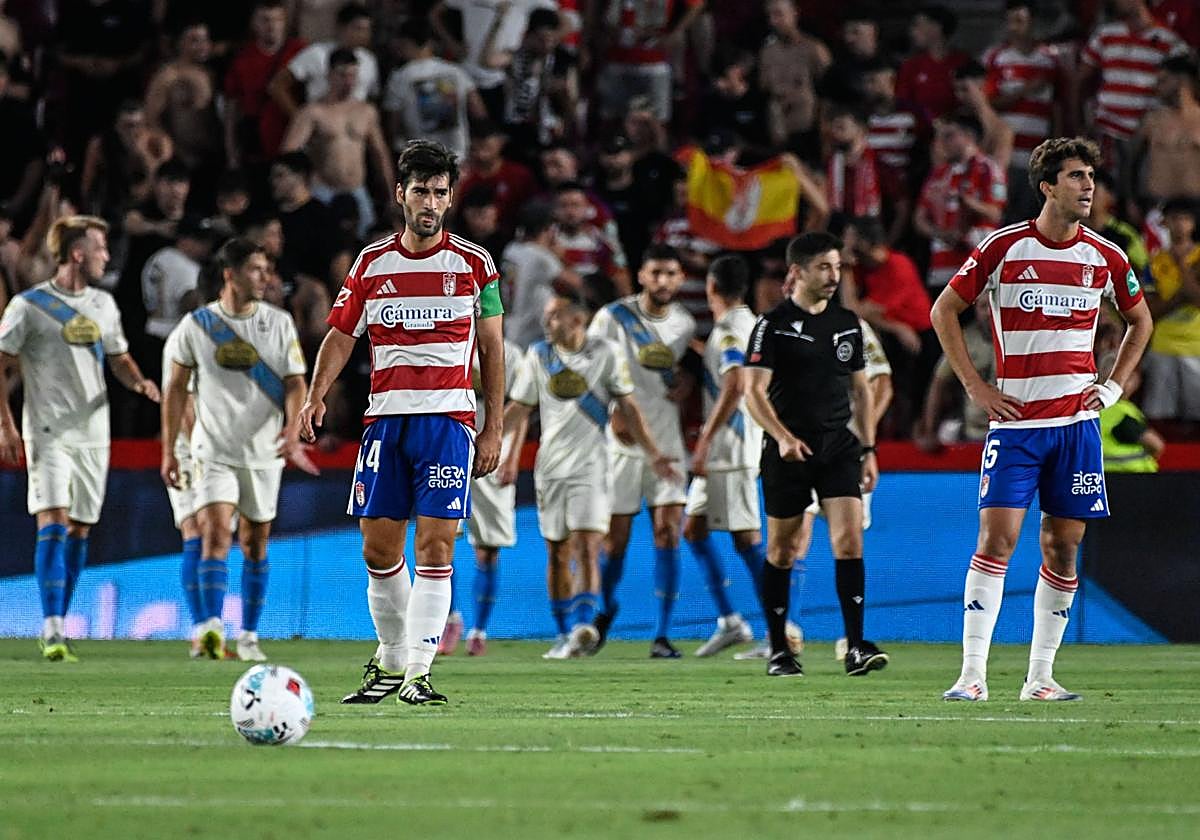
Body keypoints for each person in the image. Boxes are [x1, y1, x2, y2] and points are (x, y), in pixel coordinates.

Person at [931, 137, 1153, 702]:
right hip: (1017, 426)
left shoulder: (1105, 256)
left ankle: (1040, 678)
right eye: (1076, 176)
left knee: (1062, 548)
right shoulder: (1004, 246)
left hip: (1077, 428)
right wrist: (976, 386)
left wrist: (1112, 385)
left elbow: (1140, 322)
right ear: (1047, 186)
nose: (1088, 187)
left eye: (1091, 177)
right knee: (996, 540)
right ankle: (972, 675)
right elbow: (944, 311)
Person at [301, 139, 505, 706]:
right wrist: (317, 396)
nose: (431, 202)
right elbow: (341, 336)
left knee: (437, 548)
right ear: (400, 194)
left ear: (449, 197)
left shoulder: (474, 266)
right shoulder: (371, 265)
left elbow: (494, 349)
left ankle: (419, 671)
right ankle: (391, 661)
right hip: (386, 423)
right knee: (378, 551)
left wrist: (494, 427)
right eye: (421, 191)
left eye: (440, 192)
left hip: (448, 423)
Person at [0, 215, 161, 661]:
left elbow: (119, 357)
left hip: (94, 433)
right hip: (47, 431)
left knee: (79, 529)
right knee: (52, 521)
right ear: (77, 253)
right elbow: (2, 362)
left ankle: (59, 620)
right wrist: (6, 424)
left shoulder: (104, 306)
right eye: (100, 248)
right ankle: (52, 628)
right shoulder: (28, 306)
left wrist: (139, 382)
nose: (106, 256)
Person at [161, 238, 316, 662]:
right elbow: (175, 389)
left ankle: (248, 634)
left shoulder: (280, 323)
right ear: (230, 274)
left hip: (263, 451)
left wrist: (292, 428)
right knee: (215, 533)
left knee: (255, 544)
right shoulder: (196, 326)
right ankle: (211, 629)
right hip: (212, 449)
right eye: (256, 269)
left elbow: (295, 381)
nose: (266, 278)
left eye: (267, 269)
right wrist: (168, 451)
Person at [503, 289, 677, 658]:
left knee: (587, 545)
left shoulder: (605, 354)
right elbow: (519, 408)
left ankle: (584, 624)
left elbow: (628, 405)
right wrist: (485, 440)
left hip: (594, 466)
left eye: (554, 316)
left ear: (577, 319)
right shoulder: (538, 356)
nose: (547, 323)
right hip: (549, 468)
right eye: (546, 316)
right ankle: (564, 633)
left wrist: (654, 454)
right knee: (556, 552)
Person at [743, 231, 885, 678]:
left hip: (838, 447)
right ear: (797, 272)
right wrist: (782, 436)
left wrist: (868, 448)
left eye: (837, 267)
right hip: (788, 452)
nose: (833, 276)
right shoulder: (772, 325)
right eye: (824, 267)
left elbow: (862, 391)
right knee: (783, 551)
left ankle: (856, 645)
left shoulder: (847, 323)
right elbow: (752, 393)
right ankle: (779, 649)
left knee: (849, 541)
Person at [587, 244, 694, 657]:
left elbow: (679, 374)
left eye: (671, 273)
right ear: (642, 276)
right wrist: (610, 411)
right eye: (656, 273)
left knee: (668, 532)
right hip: (622, 444)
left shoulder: (683, 325)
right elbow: (589, 367)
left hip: (667, 441)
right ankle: (605, 610)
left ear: (681, 278)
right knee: (615, 542)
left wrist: (684, 384)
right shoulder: (613, 318)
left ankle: (662, 635)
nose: (663, 281)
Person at [683, 255, 764, 657]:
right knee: (693, 530)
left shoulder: (732, 330)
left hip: (730, 449)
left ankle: (780, 634)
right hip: (726, 451)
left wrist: (705, 439)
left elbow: (735, 384)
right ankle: (731, 622)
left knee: (747, 539)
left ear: (711, 287)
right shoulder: (745, 325)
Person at [446, 336, 523, 657]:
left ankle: (480, 629)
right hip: (451, 445)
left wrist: (514, 457)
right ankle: (450, 618)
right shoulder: (448, 339)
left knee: (487, 550)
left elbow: (522, 409)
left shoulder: (512, 354)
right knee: (442, 538)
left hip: (495, 450)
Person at [281, 48, 394, 238]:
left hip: (357, 189)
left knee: (368, 244)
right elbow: (289, 153)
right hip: (323, 190)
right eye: (342, 75)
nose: (348, 81)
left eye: (352, 75)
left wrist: (391, 194)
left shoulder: (366, 111)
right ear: (330, 75)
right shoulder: (312, 112)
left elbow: (380, 154)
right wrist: (303, 187)